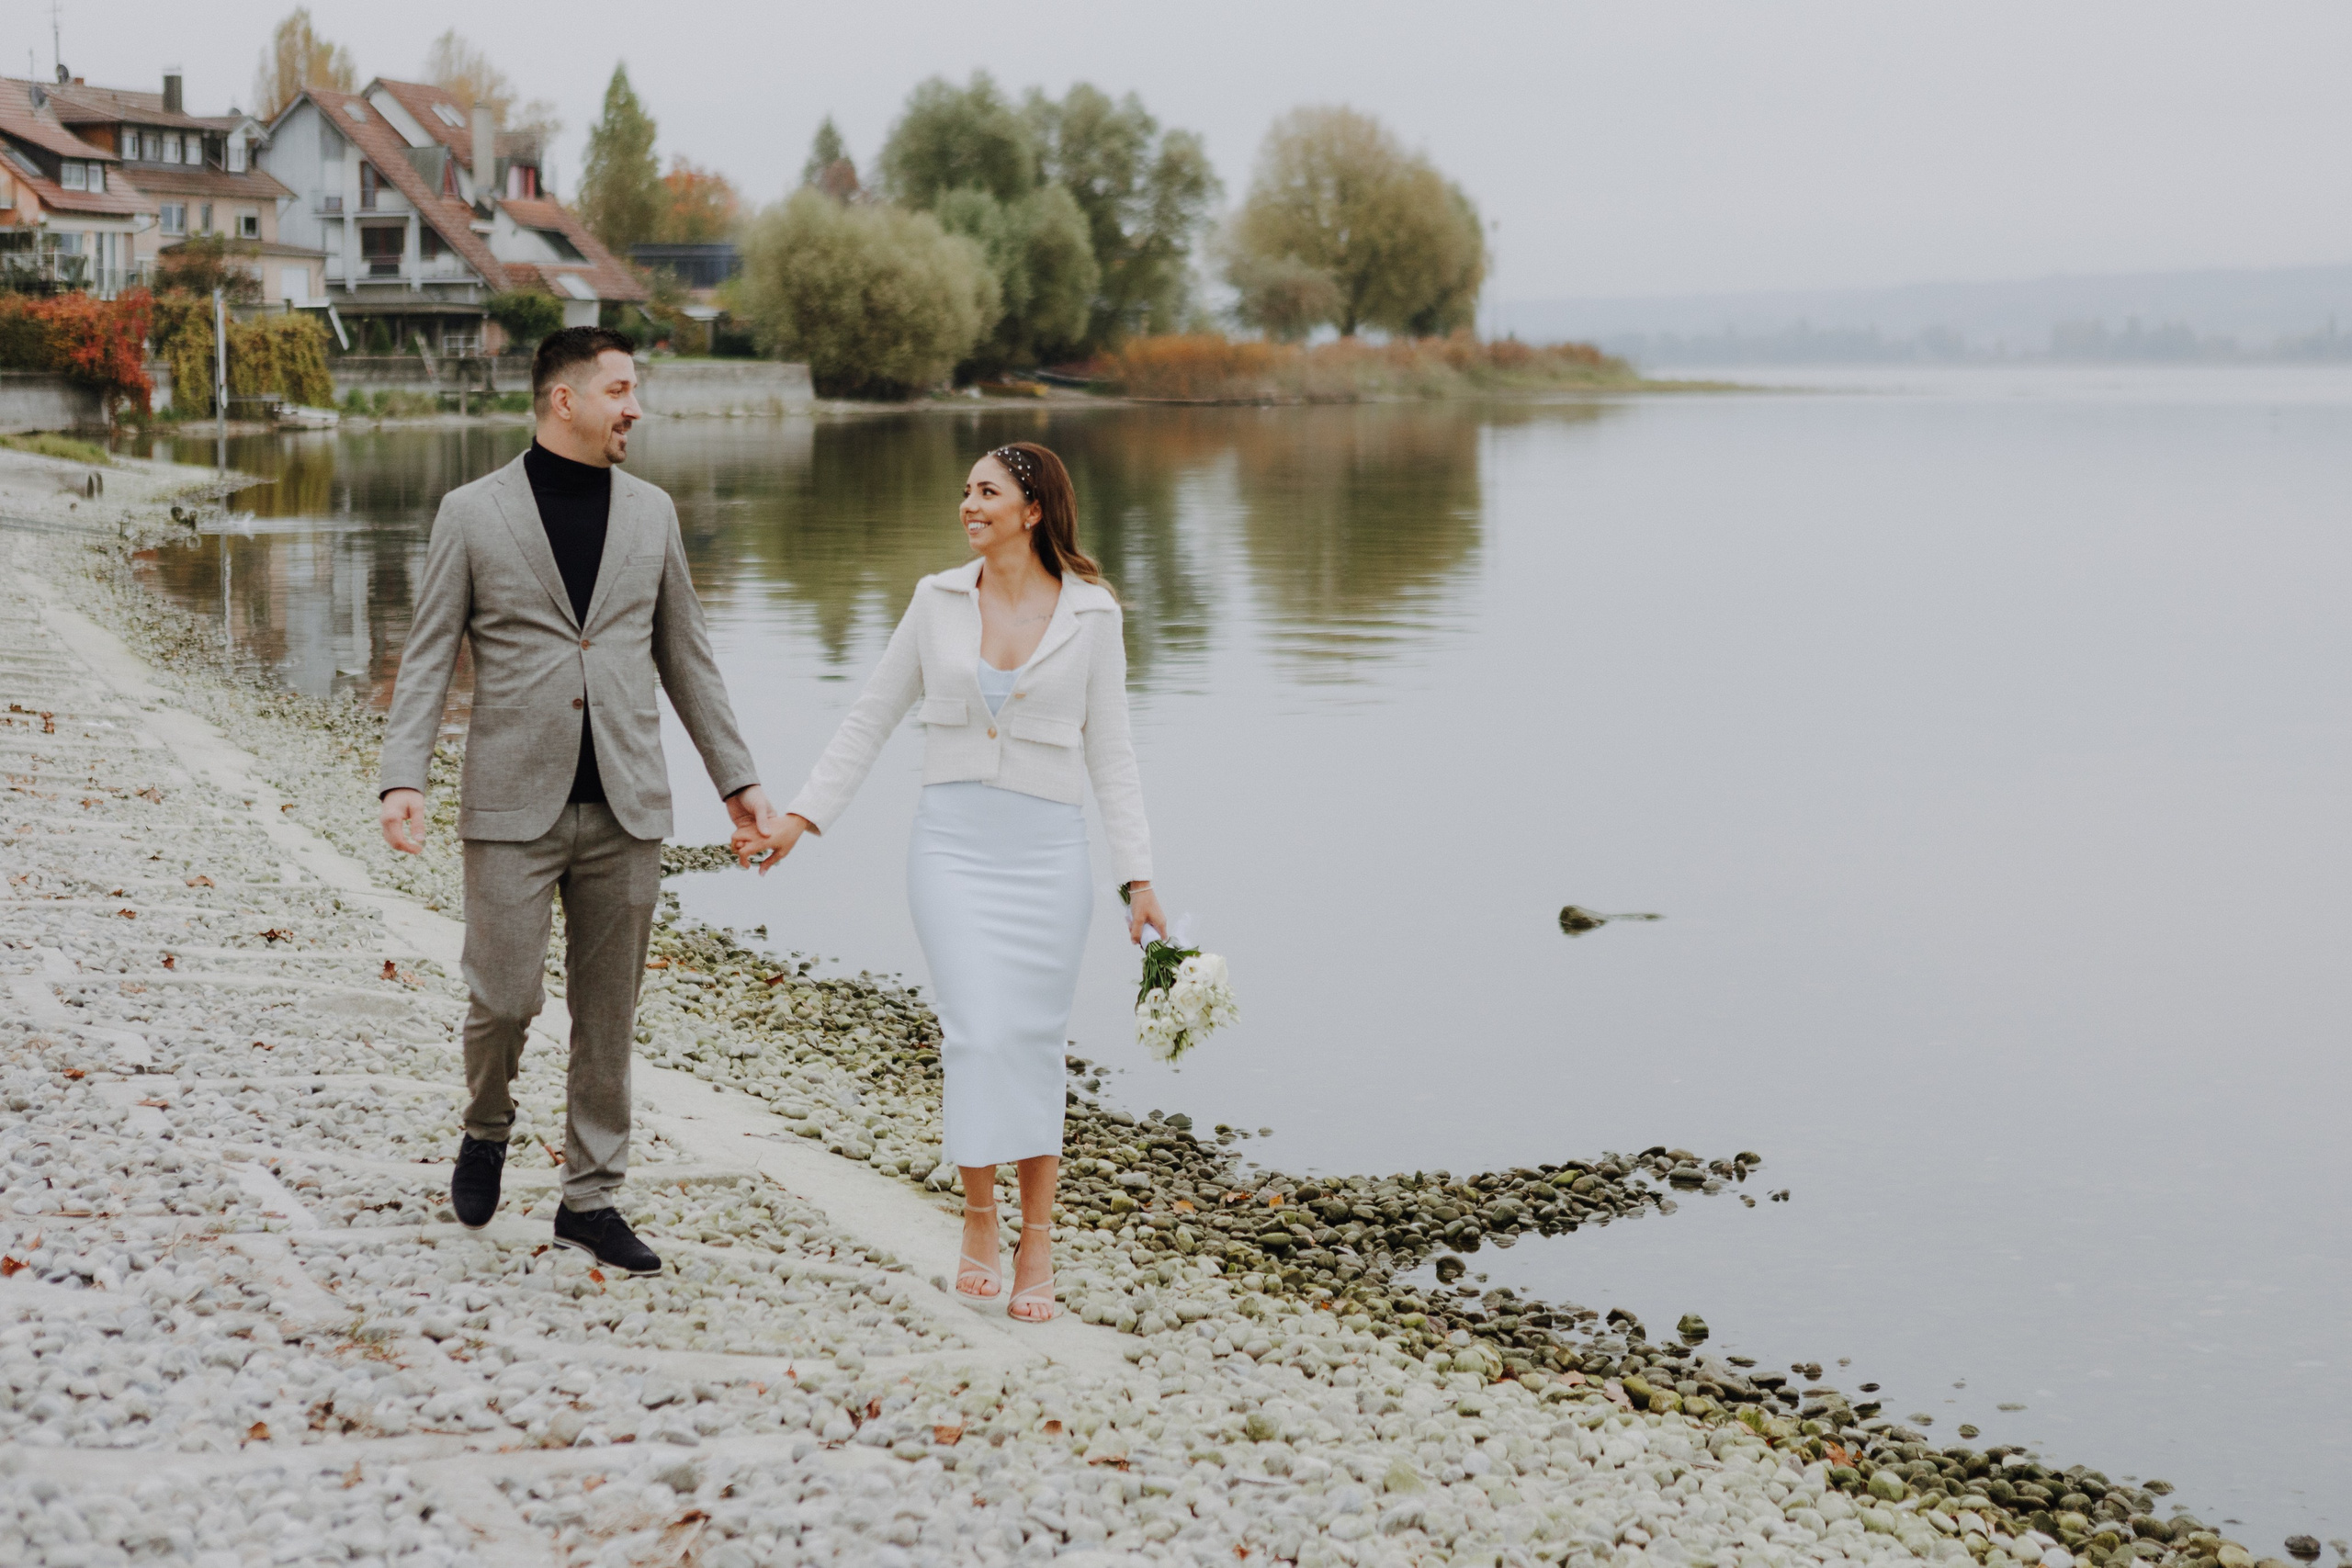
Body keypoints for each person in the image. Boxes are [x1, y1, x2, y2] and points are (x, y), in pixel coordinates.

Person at [378, 326, 780, 1276]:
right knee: (503, 998)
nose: (635, 407)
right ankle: (486, 1126)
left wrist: (740, 782)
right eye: (620, 390)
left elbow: (688, 658)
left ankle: (591, 1198)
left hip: (627, 806)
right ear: (566, 399)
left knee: (609, 1016)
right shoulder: (472, 513)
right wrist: (403, 776)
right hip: (510, 802)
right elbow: (429, 654)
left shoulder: (654, 513)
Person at [738, 442, 1165, 1322]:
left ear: (1033, 509)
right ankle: (979, 1220)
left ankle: (1037, 1240)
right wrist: (800, 818)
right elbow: (870, 716)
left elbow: (1114, 753)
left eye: (987, 492)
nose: (968, 504)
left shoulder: (1093, 614)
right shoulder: (935, 601)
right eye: (966, 490)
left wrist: (1139, 877)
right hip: (951, 849)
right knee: (974, 1032)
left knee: (1033, 1040)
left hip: (1049, 854)